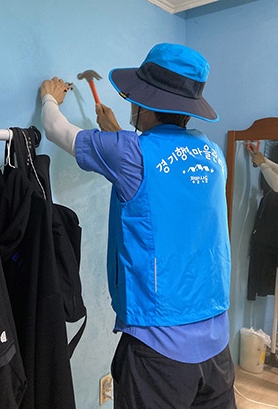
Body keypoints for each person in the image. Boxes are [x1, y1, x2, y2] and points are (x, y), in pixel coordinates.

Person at [40, 43, 235, 408]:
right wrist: (117, 134)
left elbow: (56, 130)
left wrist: (49, 98)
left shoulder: (129, 152)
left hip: (159, 351)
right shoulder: (212, 153)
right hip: (215, 345)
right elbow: (160, 180)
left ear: (145, 102)